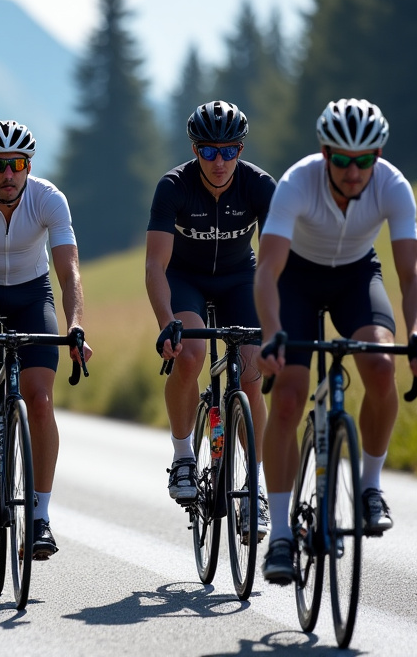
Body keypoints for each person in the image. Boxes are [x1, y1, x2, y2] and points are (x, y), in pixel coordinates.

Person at [255, 98, 417, 584]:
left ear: (377, 157)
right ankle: (278, 537)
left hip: (356, 276)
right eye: (341, 160)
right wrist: (272, 334)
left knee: (380, 366)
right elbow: (268, 269)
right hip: (295, 281)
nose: (353, 172)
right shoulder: (297, 182)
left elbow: (410, 272)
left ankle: (370, 488)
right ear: (324, 152)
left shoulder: (393, 185)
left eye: (364, 160)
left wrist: (416, 334)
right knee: (290, 399)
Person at [0, 120, 93, 560]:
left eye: (18, 164)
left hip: (32, 291)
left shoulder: (49, 199)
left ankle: (41, 517)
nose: (9, 174)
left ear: (29, 166)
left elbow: (69, 271)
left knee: (40, 400)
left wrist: (76, 324)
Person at [147, 100, 275, 540]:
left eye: (229, 150)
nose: (219, 161)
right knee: (190, 353)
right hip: (187, 280)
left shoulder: (259, 185)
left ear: (240, 148)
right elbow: (154, 266)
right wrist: (167, 322)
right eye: (208, 152)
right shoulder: (173, 187)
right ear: (194, 149)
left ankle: (253, 487)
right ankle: (183, 455)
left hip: (241, 279)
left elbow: (279, 262)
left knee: (254, 367)